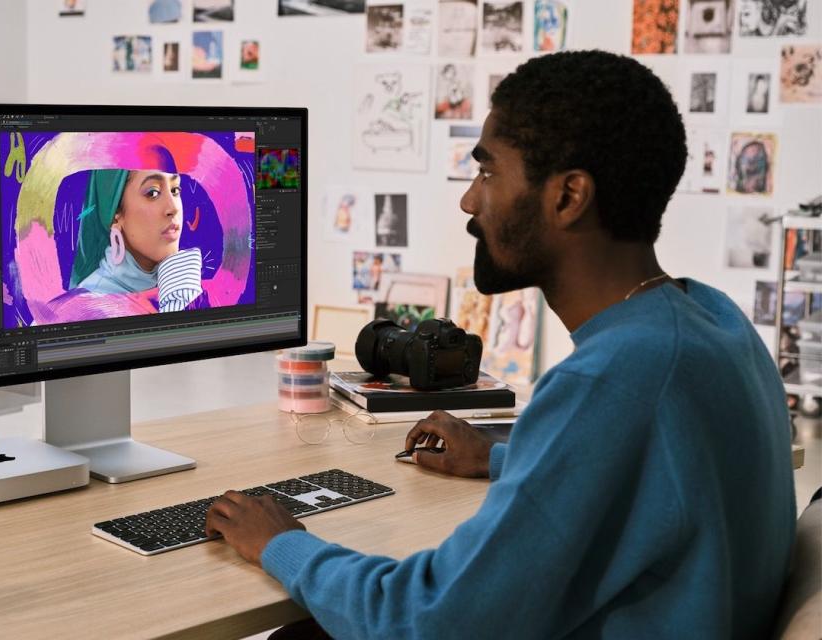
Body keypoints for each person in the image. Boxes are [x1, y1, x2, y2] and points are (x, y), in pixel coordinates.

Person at [204, 50, 796, 638]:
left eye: (488, 173)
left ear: (568, 197)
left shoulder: (612, 378)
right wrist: (499, 457)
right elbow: (659, 480)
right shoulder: (713, 318)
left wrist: (283, 543)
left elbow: (429, 621)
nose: (469, 200)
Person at [69, 167, 203, 313]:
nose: (173, 208)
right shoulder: (90, 306)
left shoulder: (183, 282)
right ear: (116, 214)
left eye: (175, 190)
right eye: (153, 193)